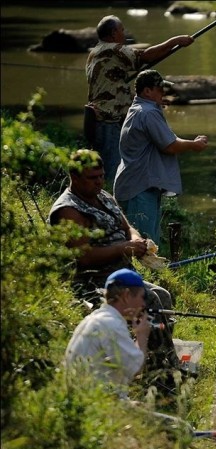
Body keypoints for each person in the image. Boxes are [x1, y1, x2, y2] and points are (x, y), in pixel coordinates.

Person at [49, 149, 181, 392]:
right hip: (92, 281)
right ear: (75, 178)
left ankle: (157, 364)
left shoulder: (103, 196)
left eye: (101, 176)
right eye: (92, 178)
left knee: (163, 295)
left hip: (122, 273)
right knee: (151, 300)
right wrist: (124, 247)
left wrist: (137, 241)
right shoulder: (68, 210)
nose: (99, 181)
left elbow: (126, 226)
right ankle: (164, 381)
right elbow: (83, 256)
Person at [86, 15, 195, 182]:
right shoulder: (113, 49)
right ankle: (111, 204)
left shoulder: (94, 53)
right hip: (108, 121)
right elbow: (146, 56)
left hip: (98, 120)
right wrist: (176, 41)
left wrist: (152, 99)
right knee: (110, 172)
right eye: (122, 30)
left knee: (105, 169)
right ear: (114, 33)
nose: (124, 34)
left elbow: (116, 89)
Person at [113, 69, 208, 245]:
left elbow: (168, 140)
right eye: (159, 89)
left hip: (136, 185)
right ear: (147, 91)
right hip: (139, 188)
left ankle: (147, 273)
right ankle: (146, 274)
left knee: (143, 244)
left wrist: (189, 142)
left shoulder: (140, 109)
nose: (163, 93)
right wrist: (193, 145)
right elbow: (170, 146)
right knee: (144, 246)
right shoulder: (148, 113)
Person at [64, 268, 151, 399]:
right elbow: (135, 369)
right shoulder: (112, 325)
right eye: (142, 297)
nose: (143, 303)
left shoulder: (94, 319)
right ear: (126, 295)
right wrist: (142, 335)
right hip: (97, 407)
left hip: (81, 401)